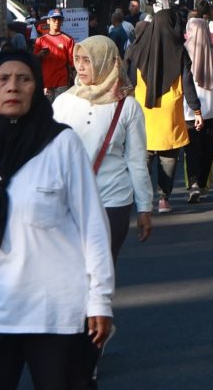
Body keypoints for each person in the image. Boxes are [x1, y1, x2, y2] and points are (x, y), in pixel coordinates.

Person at [0, 51, 114, 388]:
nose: (13, 87)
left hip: (54, 312)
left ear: (37, 88)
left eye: (24, 79)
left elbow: (93, 226)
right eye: (3, 79)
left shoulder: (62, 145)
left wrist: (99, 299)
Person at [53, 36, 152, 263]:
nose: (80, 66)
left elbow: (136, 160)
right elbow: (49, 155)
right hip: (70, 201)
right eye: (77, 59)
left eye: (87, 60)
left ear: (105, 61)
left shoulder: (128, 106)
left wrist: (145, 208)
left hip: (112, 201)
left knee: (101, 269)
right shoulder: (63, 103)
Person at [124, 9, 200, 214]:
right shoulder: (179, 51)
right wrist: (196, 109)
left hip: (143, 110)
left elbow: (129, 81)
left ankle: (142, 197)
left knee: (144, 155)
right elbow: (187, 82)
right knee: (168, 156)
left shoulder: (136, 48)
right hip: (169, 111)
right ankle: (164, 199)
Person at [182, 19, 213, 202]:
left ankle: (193, 184)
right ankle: (202, 184)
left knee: (191, 149)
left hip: (188, 108)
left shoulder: (182, 52)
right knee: (208, 148)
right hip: (211, 107)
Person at [33, 10, 76, 100]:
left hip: (62, 83)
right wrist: (40, 55)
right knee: (47, 108)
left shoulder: (68, 40)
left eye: (59, 19)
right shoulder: (40, 40)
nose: (57, 22)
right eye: (54, 19)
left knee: (61, 108)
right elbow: (33, 61)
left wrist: (76, 81)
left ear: (62, 21)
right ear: (48, 21)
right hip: (46, 83)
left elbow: (73, 63)